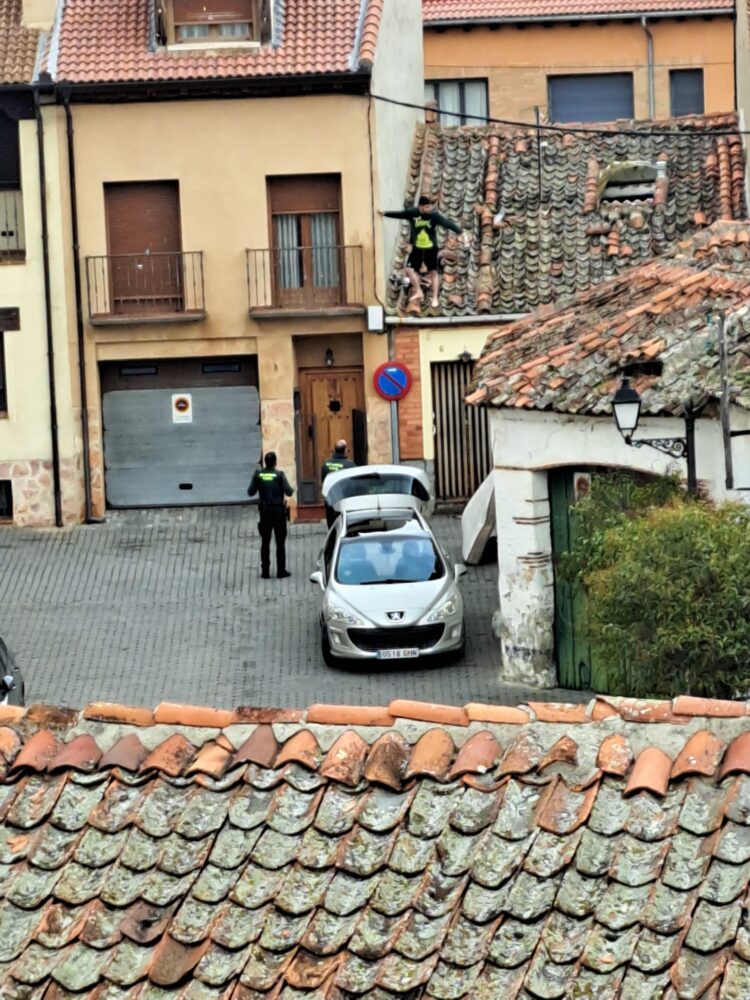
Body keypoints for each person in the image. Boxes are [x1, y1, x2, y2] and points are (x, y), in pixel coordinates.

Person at [379, 195, 469, 309]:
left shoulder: (433, 215)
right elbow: (400, 214)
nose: (429, 209)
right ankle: (418, 291)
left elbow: (447, 223)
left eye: (430, 207)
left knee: (433, 272)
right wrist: (385, 213)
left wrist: (461, 232)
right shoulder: (412, 213)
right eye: (427, 207)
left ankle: (435, 298)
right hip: (417, 248)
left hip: (431, 248)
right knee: (409, 269)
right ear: (420, 207)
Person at [247, 451, 294, 579]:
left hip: (265, 512)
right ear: (275, 462)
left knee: (265, 542)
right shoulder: (279, 475)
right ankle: (281, 570)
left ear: (265, 463)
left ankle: (265, 571)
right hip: (278, 512)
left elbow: (250, 492)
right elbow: (289, 492)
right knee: (280, 543)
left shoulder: (258, 475)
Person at [321, 439, 356, 529]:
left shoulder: (326, 464)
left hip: (330, 501)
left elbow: (324, 482)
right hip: (345, 501)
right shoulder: (350, 465)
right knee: (344, 527)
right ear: (345, 450)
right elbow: (355, 484)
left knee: (332, 528)